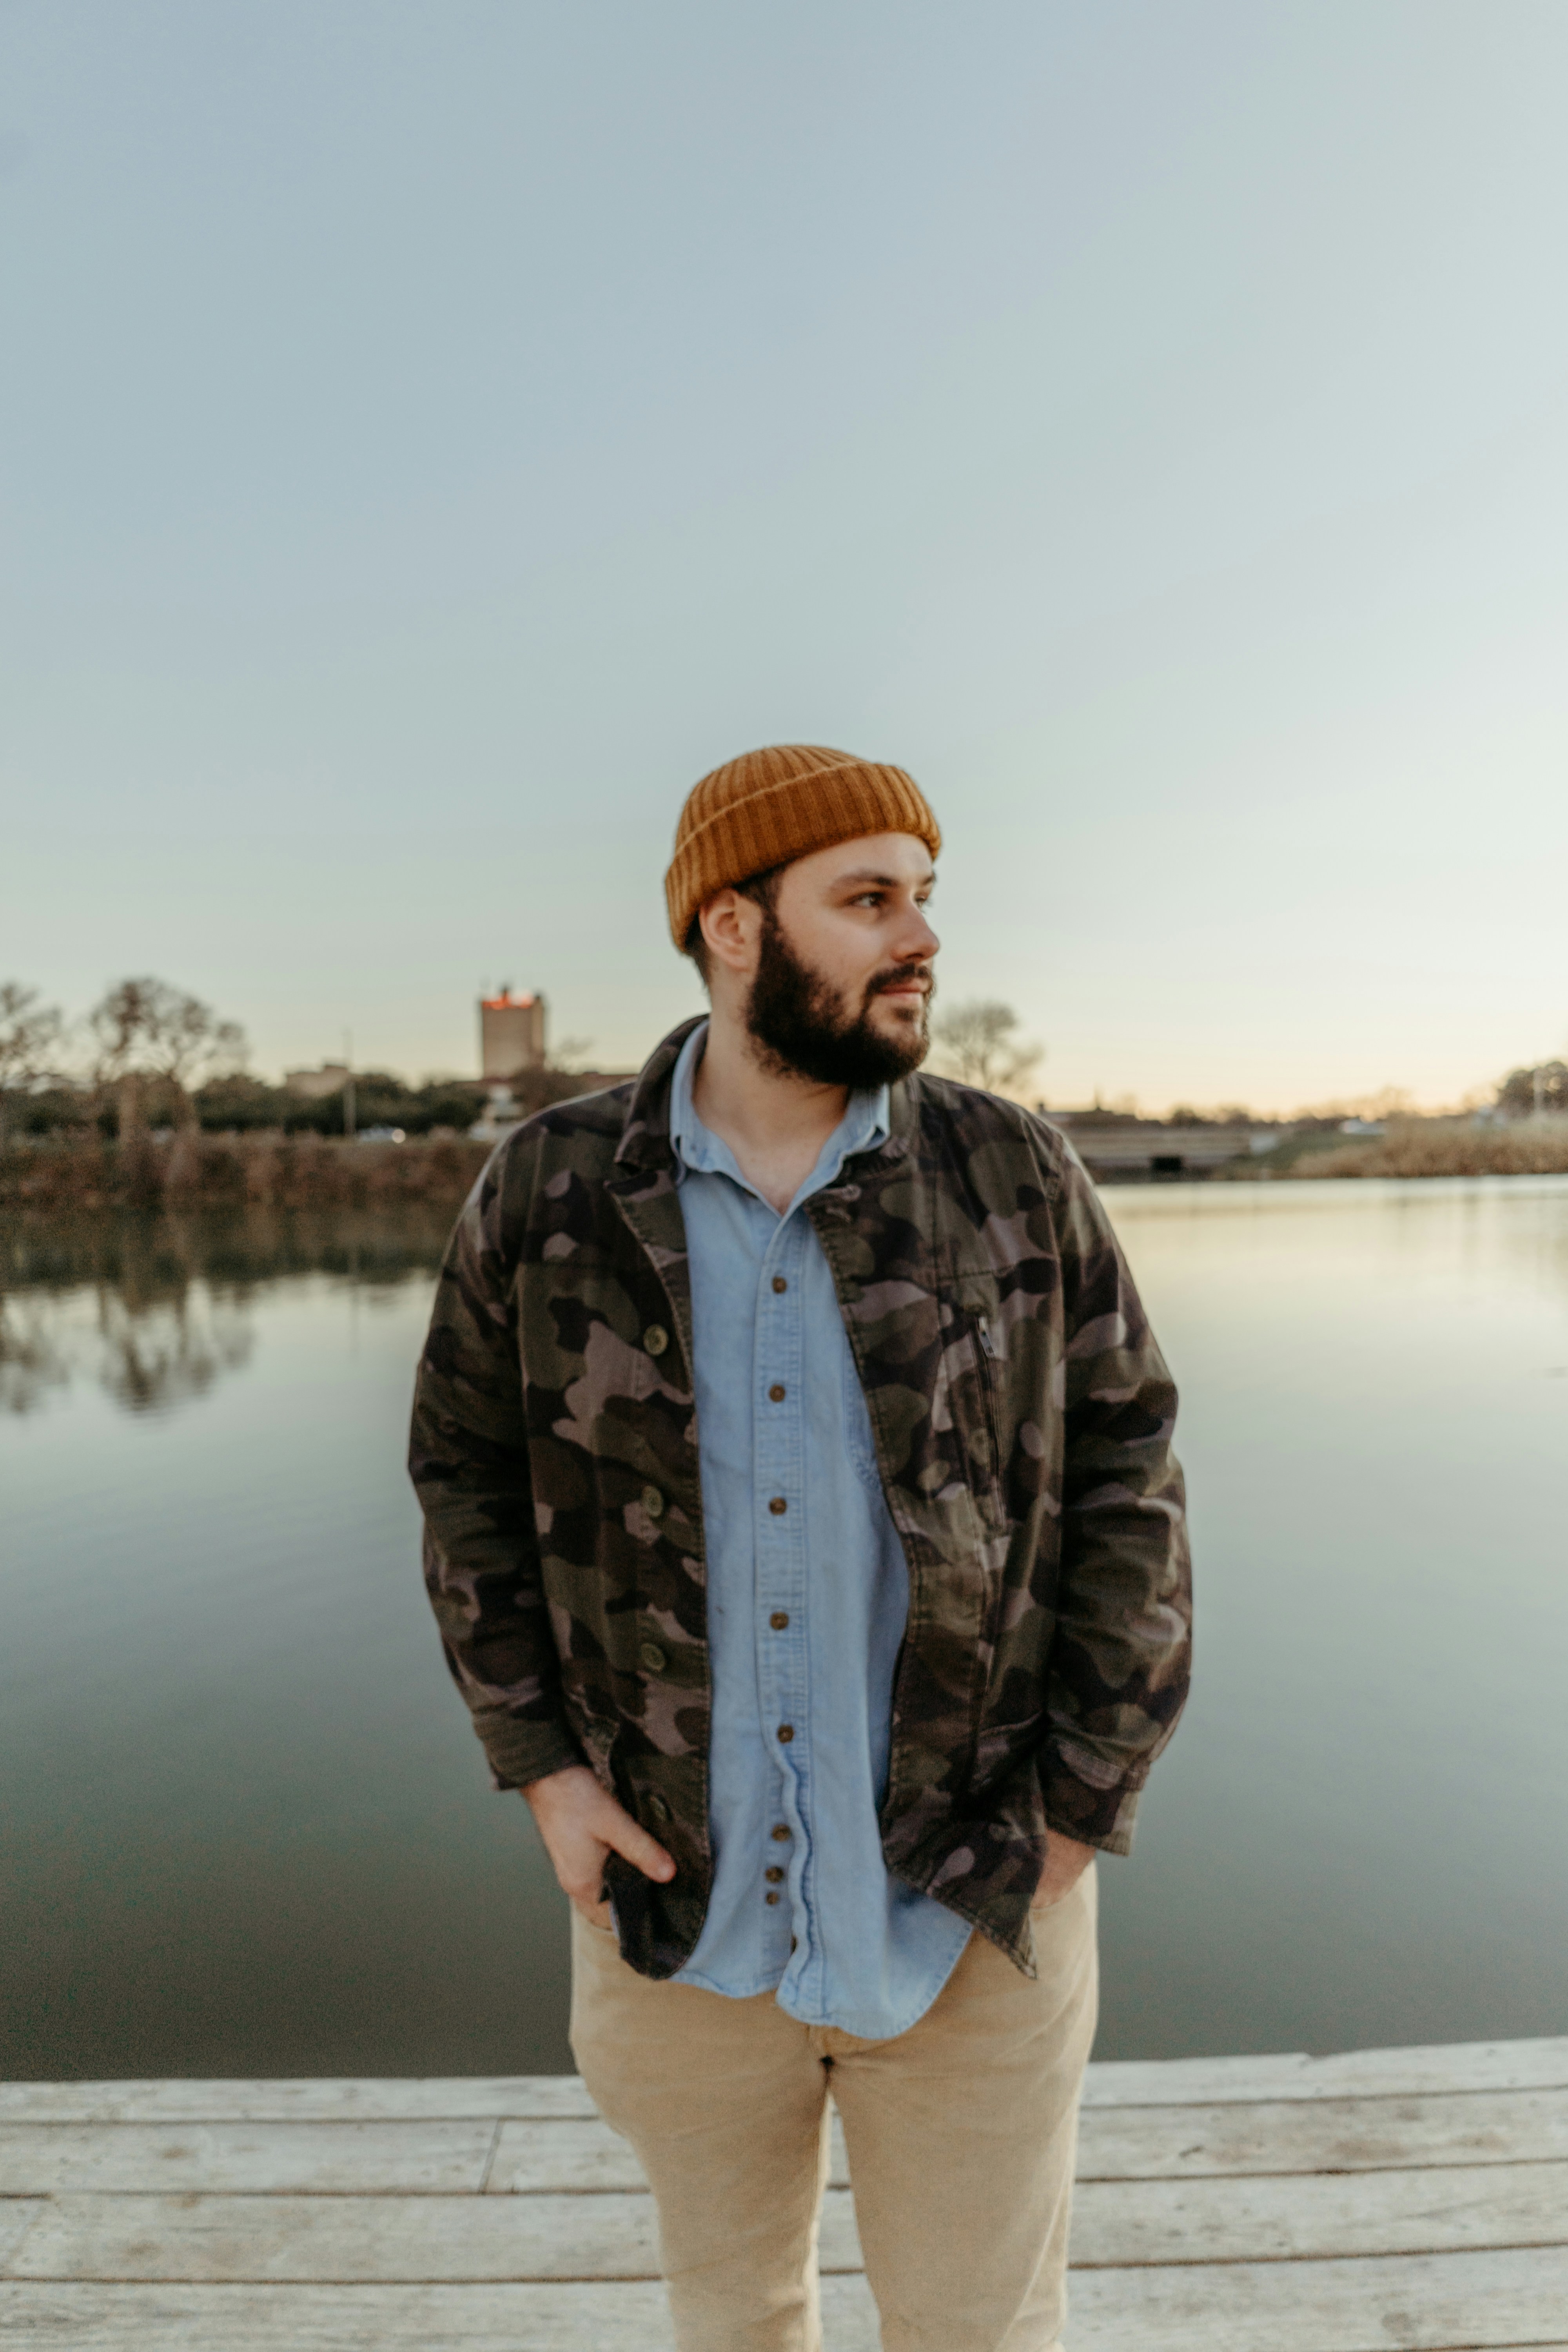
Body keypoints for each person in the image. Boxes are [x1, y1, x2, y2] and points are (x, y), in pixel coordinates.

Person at [409, 742, 1192, 2351]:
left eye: (924, 898)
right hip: (676, 1917)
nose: (921, 938)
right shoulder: (551, 1191)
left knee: (979, 2336)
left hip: (975, 1914)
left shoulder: (1011, 1172)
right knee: (732, 2322)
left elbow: (1131, 1476)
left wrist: (1077, 1807)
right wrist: (544, 1771)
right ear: (732, 925)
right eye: (868, 900)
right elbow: (464, 1478)